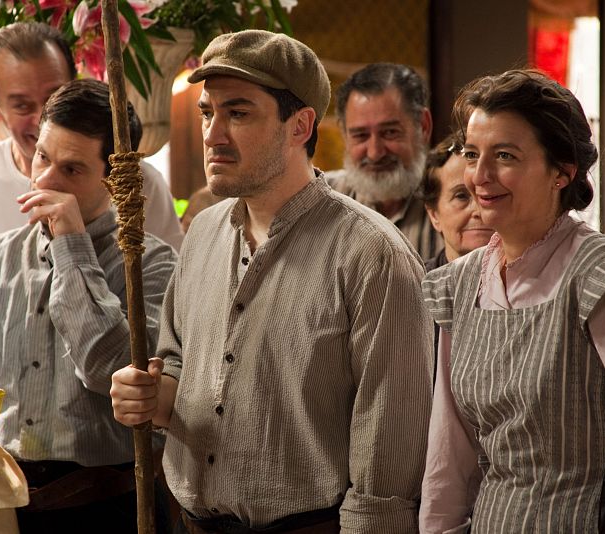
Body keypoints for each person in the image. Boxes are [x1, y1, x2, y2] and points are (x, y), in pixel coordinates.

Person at [111, 30, 434, 533]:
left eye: (238, 113)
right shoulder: (202, 236)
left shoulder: (372, 254)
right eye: (207, 113)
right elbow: (177, 361)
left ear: (300, 125)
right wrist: (154, 395)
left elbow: (388, 465)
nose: (213, 135)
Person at [419, 69, 605, 533]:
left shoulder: (599, 274)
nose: (480, 175)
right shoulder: (459, 285)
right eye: (471, 154)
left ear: (562, 172)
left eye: (504, 156)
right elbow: (449, 454)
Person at [0, 21, 183, 417]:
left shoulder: (135, 185)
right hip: (0, 456)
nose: (43, 115)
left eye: (53, 96)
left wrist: (72, 245)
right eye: (22, 104)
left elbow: (155, 348)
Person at [0, 78, 177, 533]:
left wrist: (72, 244)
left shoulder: (153, 268)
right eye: (42, 156)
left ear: (117, 177)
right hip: (2, 506)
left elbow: (110, 369)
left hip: (109, 510)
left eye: (72, 169)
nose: (44, 180)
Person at [327, 62, 441, 259]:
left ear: (423, 127)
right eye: (361, 135)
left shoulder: (457, 204)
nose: (375, 153)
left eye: (390, 132)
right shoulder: (320, 200)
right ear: (345, 135)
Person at [420, 132, 493, 272]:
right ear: (434, 214)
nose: (478, 211)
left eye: (488, 195)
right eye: (461, 196)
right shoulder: (413, 287)